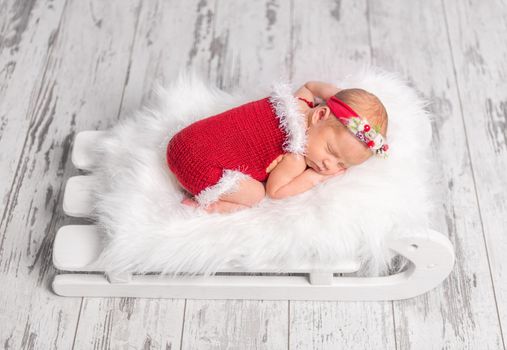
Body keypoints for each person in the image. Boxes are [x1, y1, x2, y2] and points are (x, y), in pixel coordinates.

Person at [166, 81, 389, 214]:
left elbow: (311, 85)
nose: (327, 164)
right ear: (321, 115)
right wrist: (314, 178)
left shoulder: (297, 102)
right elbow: (276, 191)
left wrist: (337, 96)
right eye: (331, 150)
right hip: (198, 170)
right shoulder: (295, 156)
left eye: (341, 164)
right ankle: (208, 206)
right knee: (255, 195)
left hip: (182, 141)